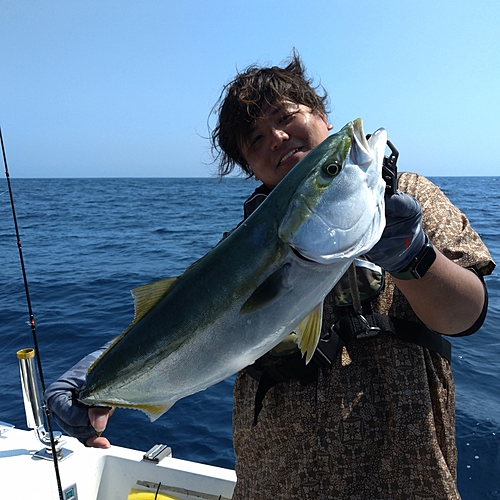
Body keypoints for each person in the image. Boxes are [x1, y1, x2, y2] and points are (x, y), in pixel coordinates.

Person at [45, 52, 495, 499]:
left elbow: (467, 315)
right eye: (256, 140)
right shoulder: (237, 247)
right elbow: (186, 319)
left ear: (319, 114)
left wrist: (416, 259)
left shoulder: (410, 197)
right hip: (273, 483)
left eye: (286, 117)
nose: (277, 138)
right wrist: (101, 373)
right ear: (249, 166)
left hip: (404, 481)